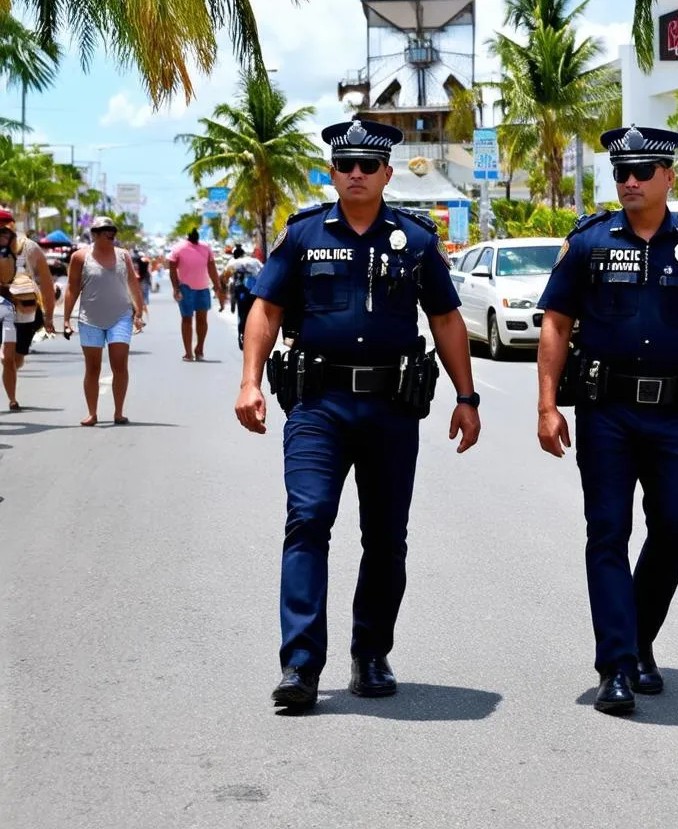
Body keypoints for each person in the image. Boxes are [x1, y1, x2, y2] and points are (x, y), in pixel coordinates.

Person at [234, 118, 481, 711]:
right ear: (333, 172)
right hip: (319, 405)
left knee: (385, 536)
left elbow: (446, 320)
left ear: (387, 174)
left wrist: (466, 398)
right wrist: (249, 382)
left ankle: (370, 653)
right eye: (346, 165)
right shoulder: (303, 235)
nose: (356, 174)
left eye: (368, 165)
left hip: (392, 409)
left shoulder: (417, 240)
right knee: (309, 519)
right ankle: (300, 665)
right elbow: (265, 308)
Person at [536, 124, 678, 716]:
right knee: (607, 532)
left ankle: (638, 639)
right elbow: (555, 323)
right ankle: (615, 665)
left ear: (668, 177)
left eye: (640, 173)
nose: (629, 182)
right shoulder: (588, 242)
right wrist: (547, 404)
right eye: (620, 173)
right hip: (606, 412)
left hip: (673, 417)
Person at [62, 216, 145, 426]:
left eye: (113, 229)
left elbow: (133, 284)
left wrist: (139, 312)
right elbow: (72, 288)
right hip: (90, 319)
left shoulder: (123, 256)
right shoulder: (80, 257)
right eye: (106, 229)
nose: (111, 233)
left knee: (120, 363)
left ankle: (118, 412)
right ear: (95, 234)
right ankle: (92, 413)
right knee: (93, 368)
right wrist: (66, 319)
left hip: (120, 317)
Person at [0, 208, 56, 412]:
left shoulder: (29, 248)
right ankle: (12, 399)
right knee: (7, 357)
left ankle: (12, 371)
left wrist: (49, 317)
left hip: (23, 310)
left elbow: (47, 284)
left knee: (16, 358)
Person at [168, 228, 226, 361]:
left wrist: (218, 288)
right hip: (185, 288)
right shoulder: (178, 248)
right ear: (188, 235)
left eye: (196, 232)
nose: (195, 234)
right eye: (192, 232)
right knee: (187, 319)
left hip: (203, 289)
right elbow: (172, 269)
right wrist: (176, 288)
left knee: (202, 320)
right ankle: (188, 352)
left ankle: (199, 348)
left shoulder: (205, 248)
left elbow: (212, 269)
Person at [222, 244, 263, 349]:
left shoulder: (233, 262)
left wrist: (223, 290)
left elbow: (226, 276)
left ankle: (242, 336)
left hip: (242, 293)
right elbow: (263, 272)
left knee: (242, 315)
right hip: (256, 292)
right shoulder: (254, 261)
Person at [131, 250, 152, 319]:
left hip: (141, 279)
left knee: (141, 293)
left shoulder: (141, 261)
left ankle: (138, 317)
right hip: (136, 280)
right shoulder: (133, 259)